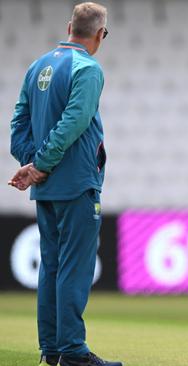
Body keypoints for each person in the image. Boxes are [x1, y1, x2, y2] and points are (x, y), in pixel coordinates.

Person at [7, 3, 120, 366]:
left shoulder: (38, 65)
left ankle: (51, 349)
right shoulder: (88, 69)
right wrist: (39, 165)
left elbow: (18, 123)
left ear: (70, 26)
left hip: (48, 188)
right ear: (100, 34)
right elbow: (75, 121)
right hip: (75, 184)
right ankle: (72, 351)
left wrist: (32, 163)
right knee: (74, 268)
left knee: (51, 268)